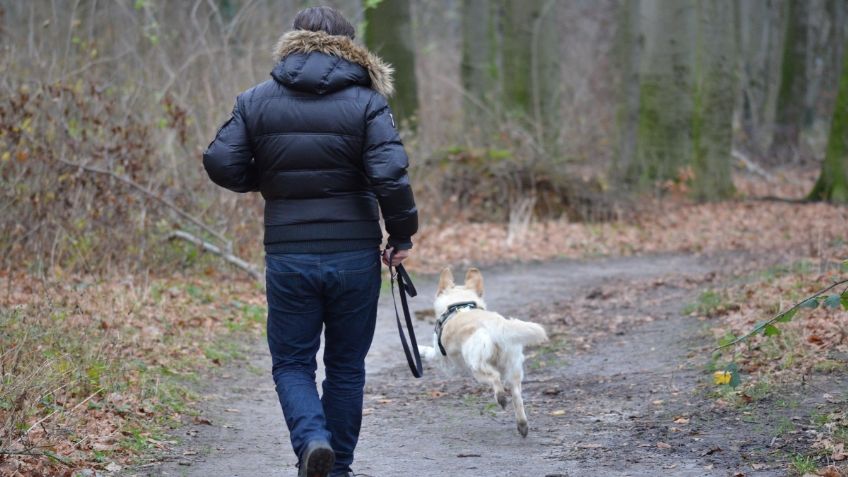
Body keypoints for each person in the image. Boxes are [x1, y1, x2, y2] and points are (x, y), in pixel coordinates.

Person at [202, 6, 418, 477]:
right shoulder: (367, 102)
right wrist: (401, 234)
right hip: (354, 252)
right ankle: (336, 468)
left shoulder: (256, 99)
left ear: (292, 40)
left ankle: (312, 441)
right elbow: (391, 174)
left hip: (289, 252)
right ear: (350, 45)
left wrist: (268, 180)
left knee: (293, 363)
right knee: (345, 366)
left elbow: (220, 161)